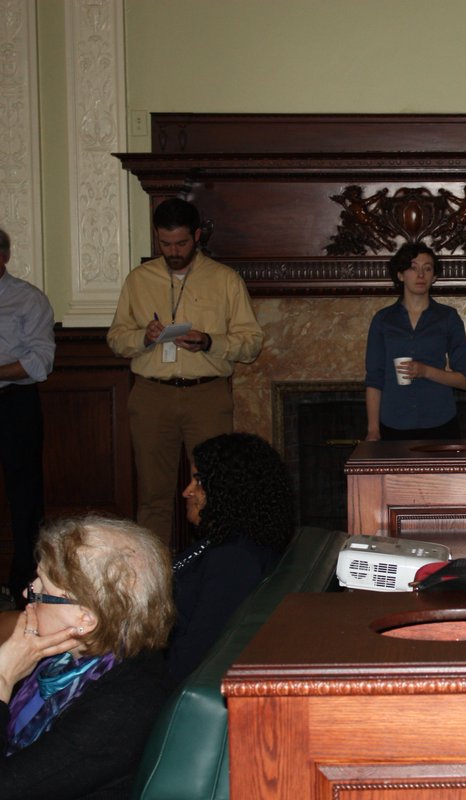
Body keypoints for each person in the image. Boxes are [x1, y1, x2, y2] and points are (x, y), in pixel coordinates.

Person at [107, 198, 264, 545]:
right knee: (153, 496)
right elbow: (116, 339)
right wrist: (142, 338)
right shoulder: (139, 280)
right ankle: (153, 586)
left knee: (214, 494)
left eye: (181, 243)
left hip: (206, 394)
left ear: (196, 236)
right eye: (165, 244)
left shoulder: (225, 280)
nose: (174, 251)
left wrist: (209, 342)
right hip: (151, 394)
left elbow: (251, 343)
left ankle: (215, 575)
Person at [0, 515, 174, 795]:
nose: (27, 591)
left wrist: (3, 678)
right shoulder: (76, 655)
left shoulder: (117, 711)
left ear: (85, 618)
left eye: (42, 589)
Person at [168, 432, 294, 683]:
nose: (186, 492)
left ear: (229, 487)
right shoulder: (222, 540)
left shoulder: (234, 561)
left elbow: (194, 655)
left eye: (198, 482)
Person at [364, 242, 466, 441]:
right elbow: (374, 379)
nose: (420, 275)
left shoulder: (448, 317)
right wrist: (373, 430)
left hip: (440, 424)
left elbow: (464, 381)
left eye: (427, 268)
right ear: (400, 275)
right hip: (393, 424)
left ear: (434, 276)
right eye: (413, 268)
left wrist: (425, 371)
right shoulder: (383, 320)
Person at [0, 229, 55, 608]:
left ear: (2, 257)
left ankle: (24, 586)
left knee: (24, 497)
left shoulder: (28, 299)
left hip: (12, 403)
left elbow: (39, 362)